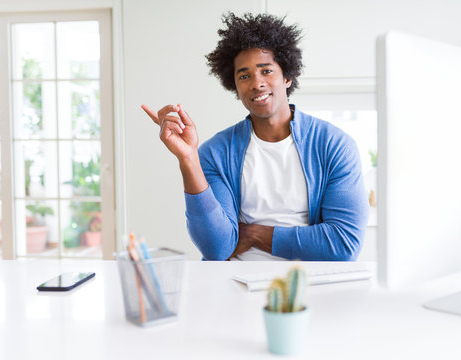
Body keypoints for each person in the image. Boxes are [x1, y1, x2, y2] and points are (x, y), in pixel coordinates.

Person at [142, 12, 369, 261]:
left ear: (287, 76)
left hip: (306, 285)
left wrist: (253, 234)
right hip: (232, 283)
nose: (256, 83)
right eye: (244, 75)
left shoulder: (334, 146)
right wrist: (188, 159)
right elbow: (217, 248)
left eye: (266, 71)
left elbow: (344, 244)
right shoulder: (215, 153)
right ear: (235, 86)